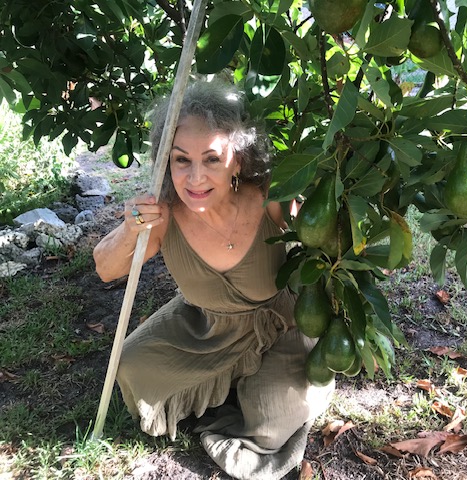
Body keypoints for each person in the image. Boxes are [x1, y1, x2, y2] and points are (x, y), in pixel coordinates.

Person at [93, 77, 335, 479]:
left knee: (270, 425)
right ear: (166, 161)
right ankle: (233, 387)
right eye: (181, 160)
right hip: (208, 326)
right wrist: (130, 230)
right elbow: (105, 268)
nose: (195, 178)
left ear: (237, 160)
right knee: (132, 365)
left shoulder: (271, 198)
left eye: (212, 159)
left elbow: (325, 242)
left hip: (281, 324)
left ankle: (266, 390)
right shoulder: (162, 215)